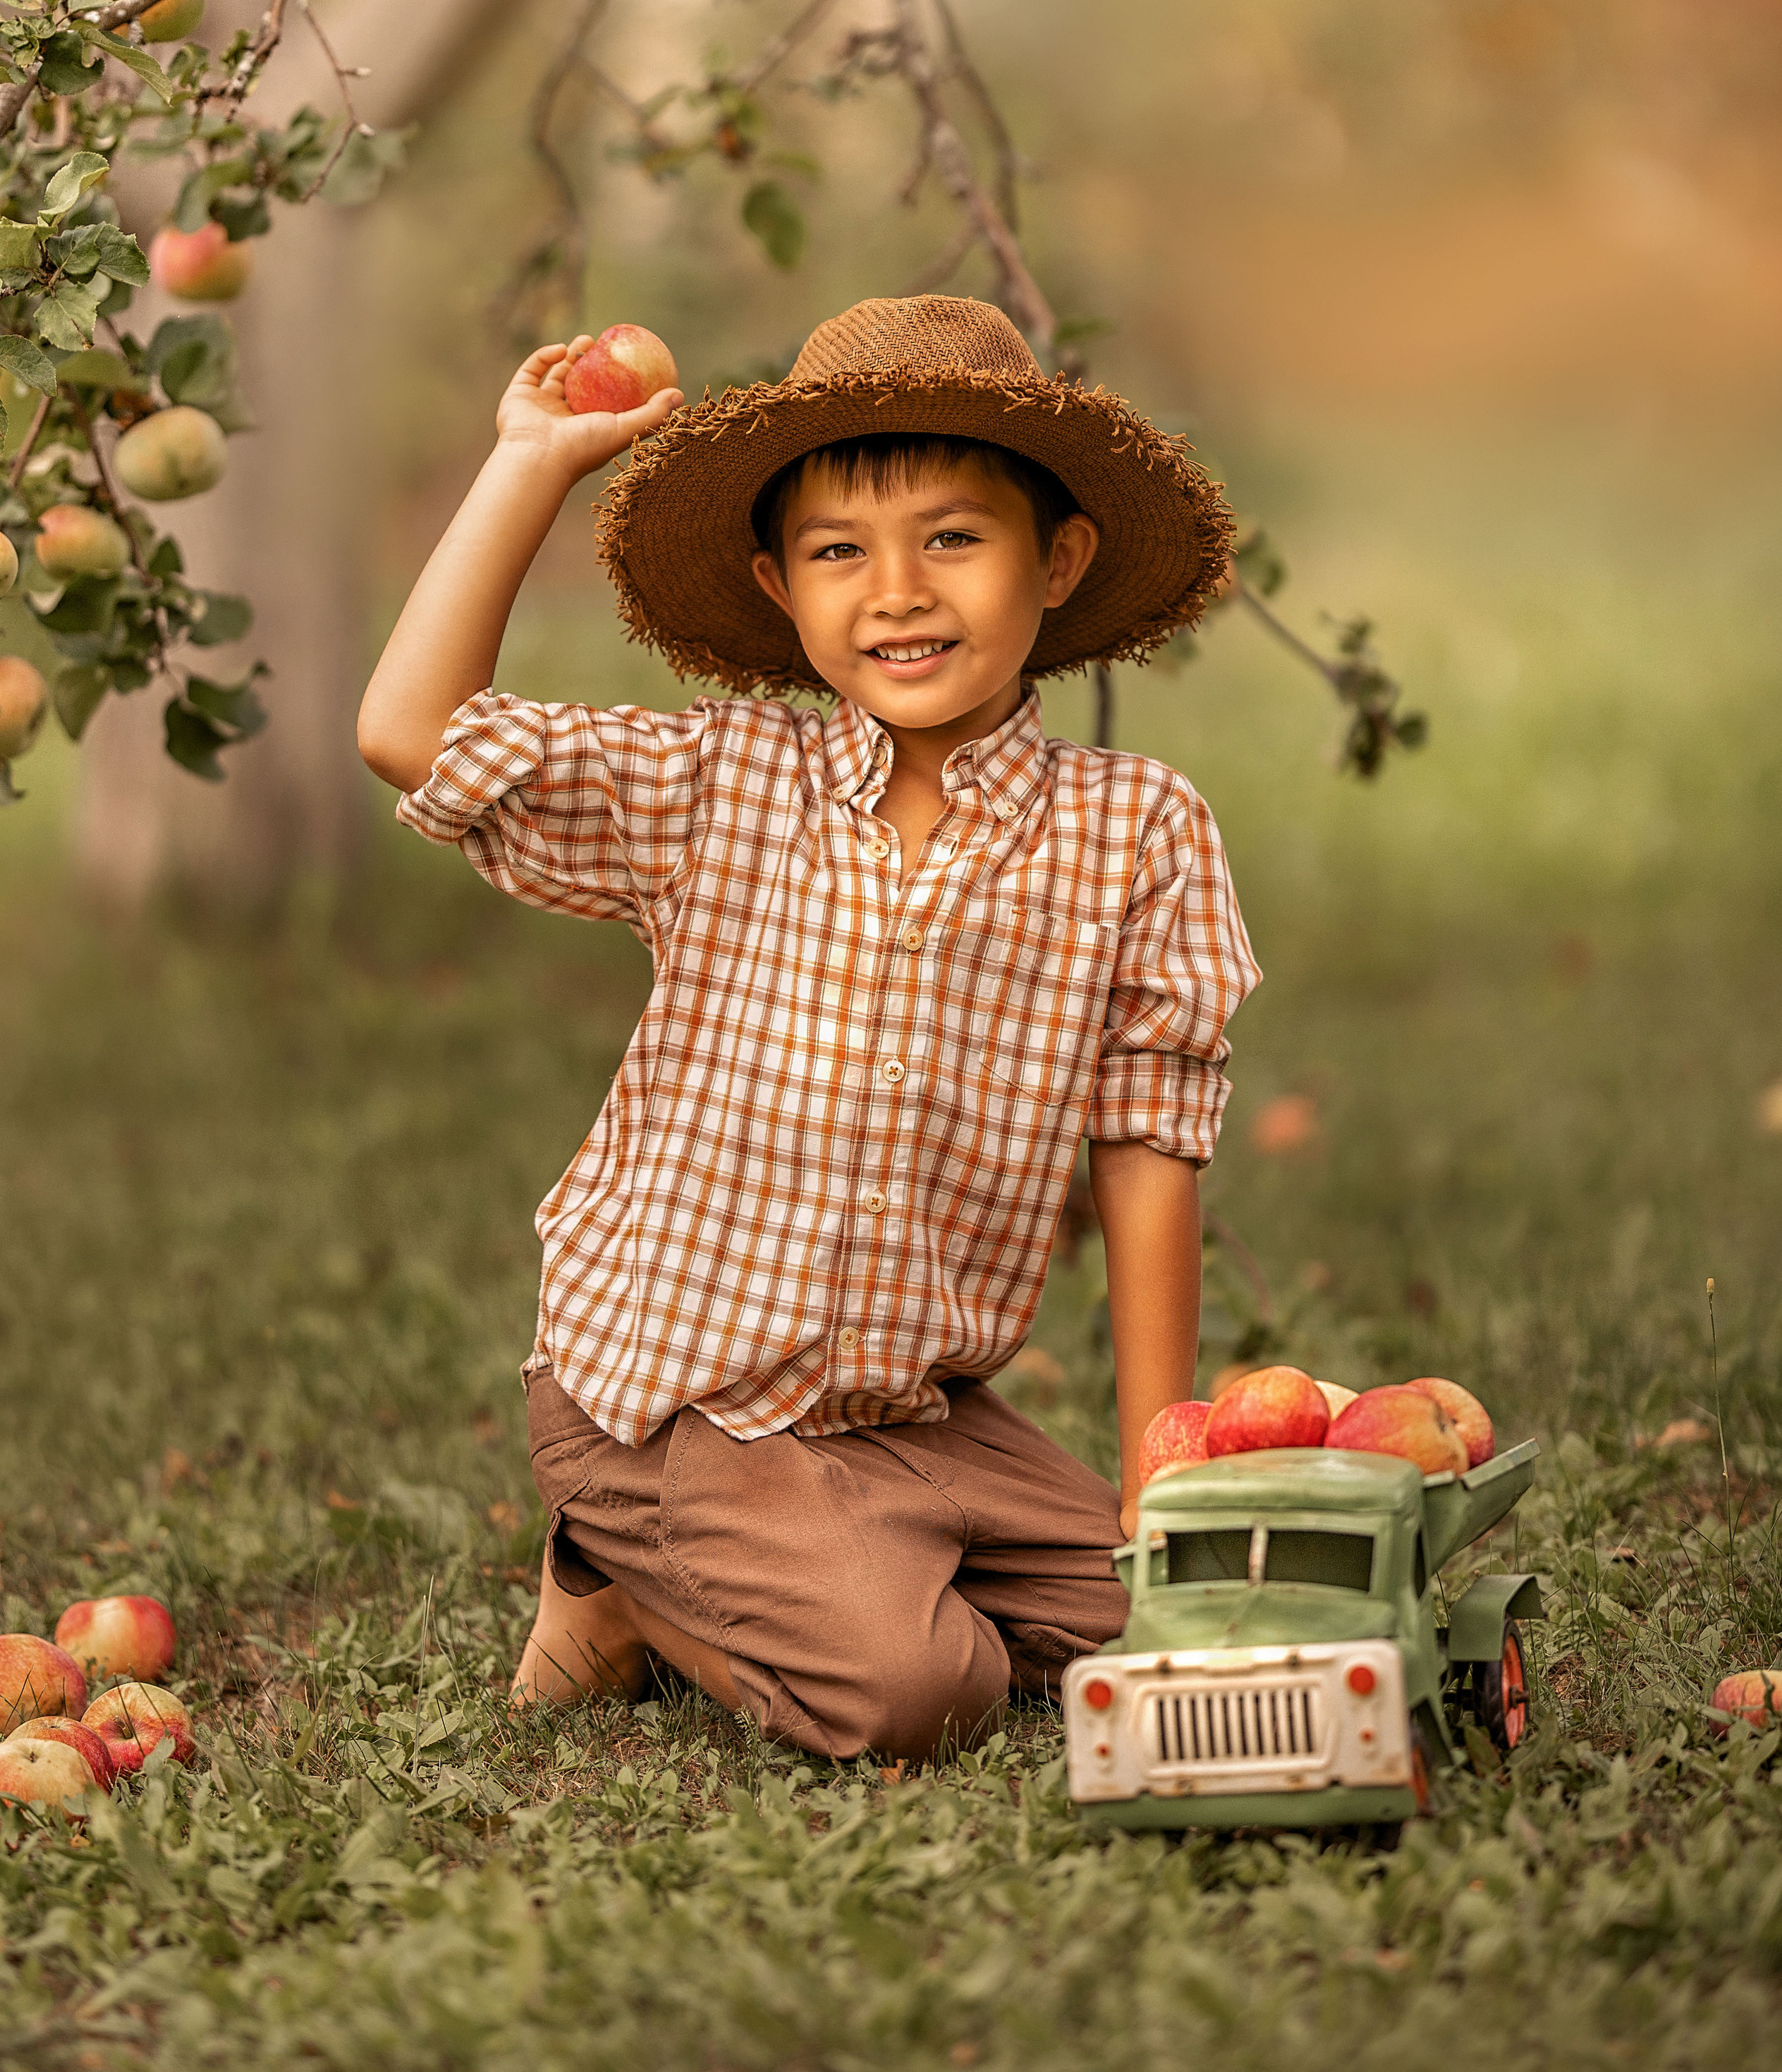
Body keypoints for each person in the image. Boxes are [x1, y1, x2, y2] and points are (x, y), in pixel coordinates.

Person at [358, 293, 1258, 1761]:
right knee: (922, 1694)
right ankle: (622, 1582)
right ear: (780, 587)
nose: (896, 591)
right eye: (841, 552)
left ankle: (831, 1556)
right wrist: (530, 457)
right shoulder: (720, 783)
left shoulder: (1136, 829)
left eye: (952, 540)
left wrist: (1160, 1471)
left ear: (1060, 558)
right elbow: (411, 732)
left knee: (1171, 1617)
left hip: (905, 1418)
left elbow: (1149, 1137)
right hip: (669, 1401)